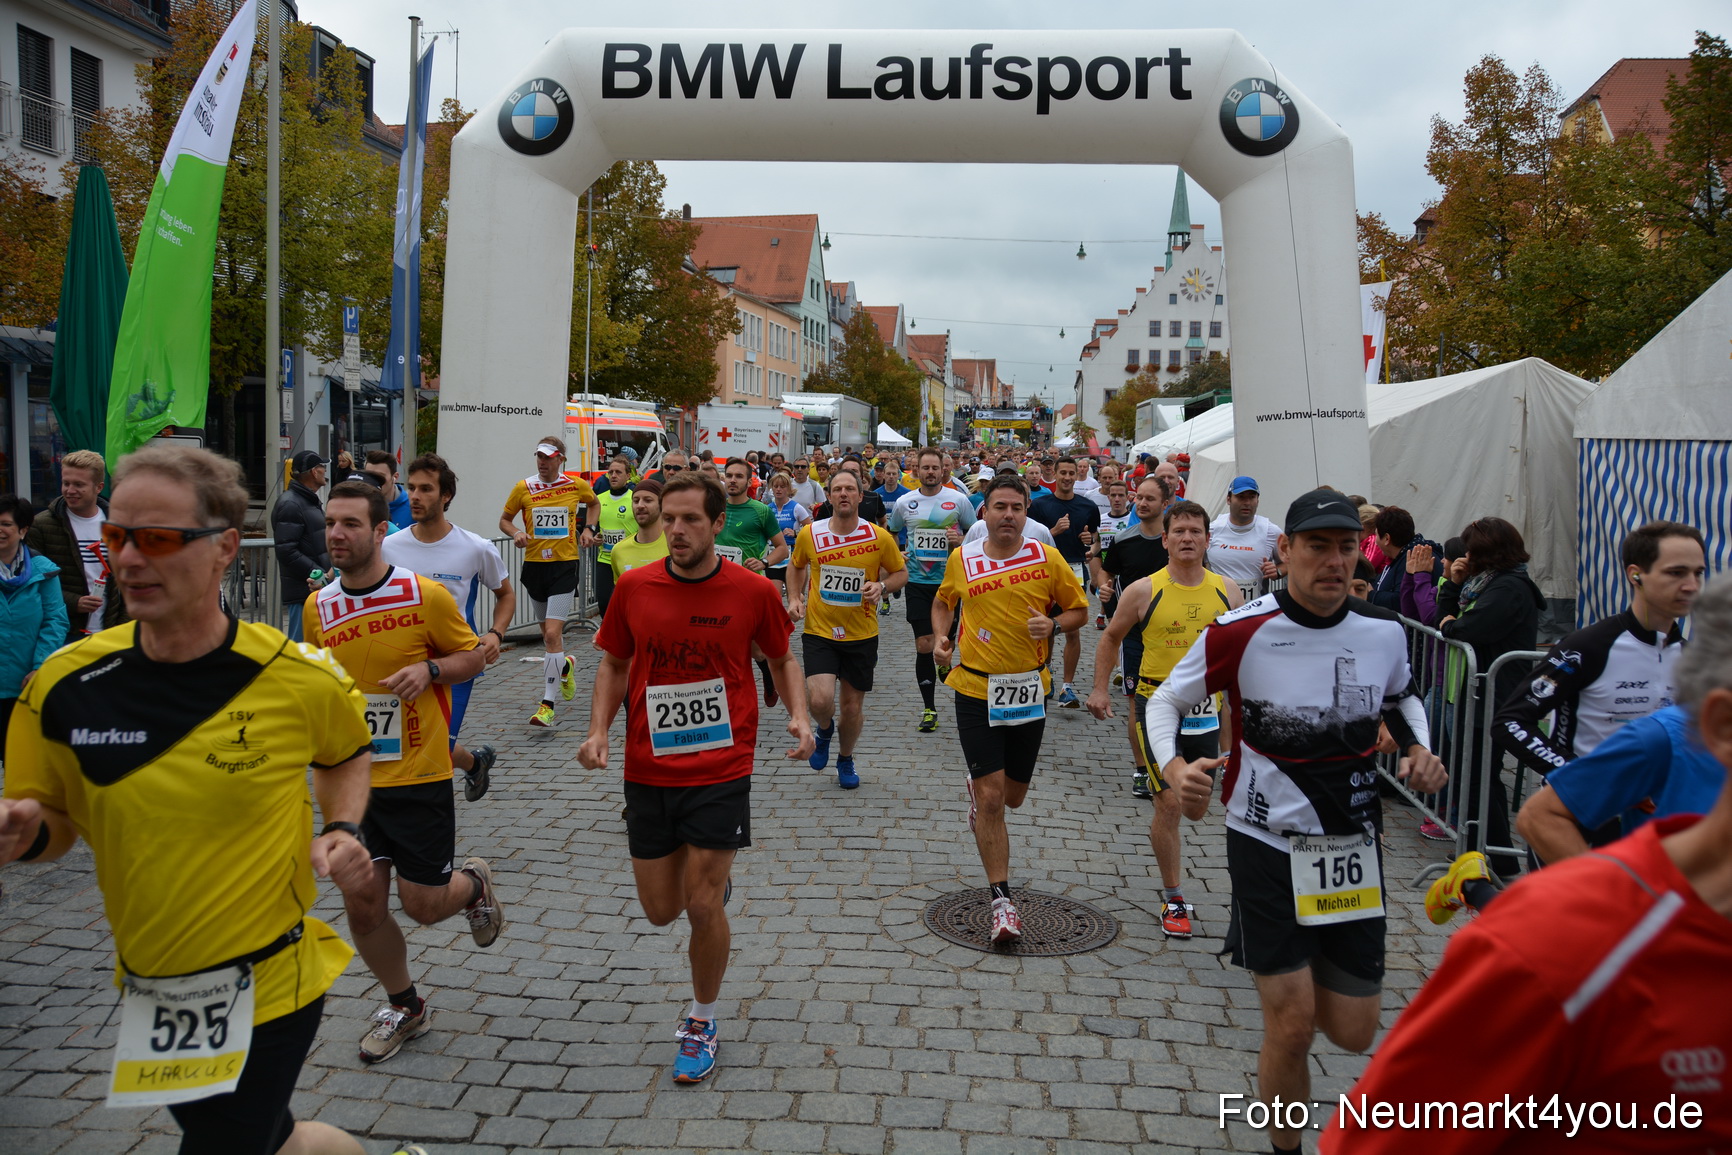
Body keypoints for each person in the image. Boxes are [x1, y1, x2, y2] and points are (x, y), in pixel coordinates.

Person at [2, 444, 373, 1154]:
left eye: (160, 538)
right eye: (118, 537)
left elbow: (347, 749)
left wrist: (344, 826)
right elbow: (52, 823)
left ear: (225, 548)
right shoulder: (63, 685)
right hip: (154, 990)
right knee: (274, 1139)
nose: (130, 559)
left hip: (269, 979)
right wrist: (26, 828)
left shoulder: (294, 676)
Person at [1319, 575, 1732, 1155]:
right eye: (1672, 570)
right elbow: (1538, 807)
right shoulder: (1568, 950)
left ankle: (1476, 882)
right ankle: (1477, 883)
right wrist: (1607, 904)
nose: (1684, 583)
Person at [1152, 488, 1445, 1155]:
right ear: (1285, 552)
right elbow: (1168, 699)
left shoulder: (1383, 630)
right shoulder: (1241, 629)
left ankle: (1313, 966)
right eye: (1318, 545)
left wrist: (1422, 747)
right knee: (1290, 1023)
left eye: (1346, 546)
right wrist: (1173, 767)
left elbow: (1402, 698)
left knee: (1351, 1030)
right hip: (1266, 841)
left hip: (1350, 845)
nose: (1334, 560)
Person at [579, 471, 812, 1085]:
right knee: (662, 910)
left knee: (702, 904)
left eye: (690, 521)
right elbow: (612, 662)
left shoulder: (752, 590)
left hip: (722, 763)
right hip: (648, 767)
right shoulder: (633, 587)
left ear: (716, 524)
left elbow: (782, 658)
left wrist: (799, 714)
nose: (676, 530)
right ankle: (708, 887)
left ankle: (702, 1019)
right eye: (670, 520)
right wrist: (600, 729)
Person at [309, 480, 502, 1065]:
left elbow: (475, 655)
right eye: (330, 524)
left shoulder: (424, 596)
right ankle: (405, 1004)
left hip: (417, 775)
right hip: (352, 783)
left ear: (378, 533)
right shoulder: (319, 607)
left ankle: (473, 884)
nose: (337, 534)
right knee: (363, 904)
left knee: (421, 905)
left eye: (350, 524)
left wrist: (433, 671)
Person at [931, 474, 1087, 943]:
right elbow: (943, 603)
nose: (1008, 515)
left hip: (1027, 691)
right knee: (994, 798)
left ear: (1026, 513)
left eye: (1017, 508)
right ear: (985, 511)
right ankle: (1002, 903)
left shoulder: (1047, 558)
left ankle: (982, 791)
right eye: (999, 506)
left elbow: (1079, 610)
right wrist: (941, 637)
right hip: (975, 689)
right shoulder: (964, 558)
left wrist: (1054, 624)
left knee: (1014, 796)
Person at [1087, 500, 1240, 938]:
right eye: (1180, 532)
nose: (1188, 538)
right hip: (1155, 707)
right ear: (1166, 539)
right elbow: (1111, 637)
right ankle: (1174, 896)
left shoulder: (1227, 590)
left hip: (1205, 712)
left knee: (1196, 808)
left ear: (1208, 539)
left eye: (1196, 531)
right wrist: (1100, 688)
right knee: (1169, 803)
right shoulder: (1142, 590)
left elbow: (1237, 655)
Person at [381, 453, 515, 803]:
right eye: (410, 488)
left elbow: (506, 595)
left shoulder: (476, 548)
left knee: (436, 747)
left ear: (446, 496)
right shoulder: (389, 547)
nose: (415, 496)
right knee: (401, 745)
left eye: (426, 489)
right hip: (402, 661)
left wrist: (495, 634)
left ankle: (431, 840)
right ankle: (474, 763)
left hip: (456, 664)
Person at [1438, 515, 1546, 879]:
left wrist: (1451, 622)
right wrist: (1453, 585)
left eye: (1471, 550)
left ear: (1487, 552)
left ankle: (1497, 859)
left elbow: (1466, 628)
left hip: (1498, 694)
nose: (1465, 556)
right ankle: (1482, 853)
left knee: (1481, 775)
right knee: (1474, 774)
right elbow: (1449, 619)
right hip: (1479, 690)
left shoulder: (1510, 587)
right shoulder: (1484, 584)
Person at [787, 469, 907, 790]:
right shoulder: (810, 534)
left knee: (852, 708)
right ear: (828, 496)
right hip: (820, 630)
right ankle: (824, 729)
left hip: (861, 634)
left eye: (849, 489)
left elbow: (900, 573)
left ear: (860, 495)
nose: (843, 494)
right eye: (837, 489)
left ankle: (845, 757)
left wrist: (881, 585)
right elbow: (796, 565)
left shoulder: (878, 537)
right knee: (820, 700)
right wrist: (796, 596)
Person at [498, 436, 599, 727]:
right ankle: (565, 665)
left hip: (564, 566)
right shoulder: (523, 487)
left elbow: (593, 504)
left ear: (560, 459)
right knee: (548, 638)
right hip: (534, 567)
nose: (542, 462)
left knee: (553, 635)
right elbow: (504, 520)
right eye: (539, 457)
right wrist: (515, 532)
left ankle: (547, 704)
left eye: (548, 457)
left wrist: (589, 528)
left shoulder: (575, 485)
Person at [888, 447, 977, 732]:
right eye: (924, 468)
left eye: (934, 468)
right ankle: (929, 708)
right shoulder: (905, 502)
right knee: (924, 644)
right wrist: (897, 553)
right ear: (916, 471)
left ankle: (944, 655)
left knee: (945, 641)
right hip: (917, 582)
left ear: (943, 471)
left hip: (949, 584)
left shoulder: (959, 500)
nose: (929, 472)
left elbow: (975, 537)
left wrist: (958, 539)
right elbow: (892, 533)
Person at [1097, 475, 1173, 795]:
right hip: (1133, 634)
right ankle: (1142, 769)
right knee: (1136, 704)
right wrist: (1102, 585)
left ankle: (1172, 764)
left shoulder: (1176, 541)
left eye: (1149, 499)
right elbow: (1107, 570)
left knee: (1172, 702)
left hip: (1173, 634)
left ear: (1165, 505)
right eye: (1138, 497)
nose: (1141, 503)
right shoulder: (1124, 539)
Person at [28, 448, 128, 644]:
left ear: (98, 487)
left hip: (112, 633)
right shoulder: (41, 525)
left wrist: (124, 625)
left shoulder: (119, 523)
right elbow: (33, 581)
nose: (70, 490)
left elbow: (133, 578)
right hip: (65, 633)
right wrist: (74, 602)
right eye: (66, 483)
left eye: (79, 485)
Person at [1028, 456, 1102, 710]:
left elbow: (1095, 540)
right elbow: (1032, 542)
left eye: (1072, 473)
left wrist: (1089, 543)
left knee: (1073, 629)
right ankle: (1045, 675)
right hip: (1045, 572)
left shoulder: (1088, 507)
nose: (1068, 477)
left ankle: (1067, 687)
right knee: (1047, 625)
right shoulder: (1040, 506)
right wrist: (1055, 531)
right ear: (1055, 475)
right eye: (1064, 473)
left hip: (1075, 570)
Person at [0, 495, 67, 755]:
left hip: (24, 686)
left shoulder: (44, 571)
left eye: (6, 524)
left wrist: (40, 666)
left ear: (23, 530)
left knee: (20, 760)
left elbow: (55, 620)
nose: (0, 530)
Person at [269, 449, 330, 644]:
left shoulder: (305, 500)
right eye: (322, 467)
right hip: (304, 592)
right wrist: (320, 573)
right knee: (301, 652)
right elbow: (286, 550)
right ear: (314, 472)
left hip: (313, 590)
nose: (325, 471)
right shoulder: (291, 503)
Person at [1206, 475, 1281, 603]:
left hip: (1254, 610)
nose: (1246, 503)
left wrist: (1278, 571)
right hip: (1217, 607)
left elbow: (1293, 562)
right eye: (1241, 497)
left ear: (1257, 500)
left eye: (1252, 497)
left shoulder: (1271, 531)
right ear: (1229, 499)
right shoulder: (1212, 530)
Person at [1366, 506, 1437, 612]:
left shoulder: (1414, 558)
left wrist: (1371, 595)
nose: (1375, 541)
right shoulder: (1399, 557)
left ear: (1386, 538)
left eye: (1376, 535)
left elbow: (1401, 600)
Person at [591, 456, 637, 616]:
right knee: (604, 603)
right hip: (605, 559)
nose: (614, 475)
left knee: (628, 604)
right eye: (610, 472)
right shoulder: (599, 499)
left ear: (628, 475)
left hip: (629, 560)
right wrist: (595, 537)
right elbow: (594, 527)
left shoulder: (634, 499)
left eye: (618, 472)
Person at [1091, 479, 1134, 629]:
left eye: (1121, 495)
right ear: (1108, 497)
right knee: (1113, 625)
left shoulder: (1133, 520)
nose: (1117, 499)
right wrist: (1090, 553)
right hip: (1108, 576)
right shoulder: (1101, 520)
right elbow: (1097, 544)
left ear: (1127, 497)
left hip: (1127, 577)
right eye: (1113, 495)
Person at [763, 472, 812, 601]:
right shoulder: (768, 509)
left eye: (782, 486)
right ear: (771, 488)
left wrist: (795, 533)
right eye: (776, 486)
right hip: (774, 556)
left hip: (792, 557)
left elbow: (810, 529)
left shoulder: (796, 508)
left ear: (789, 489)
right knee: (775, 598)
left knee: (795, 599)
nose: (778, 489)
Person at [608, 479, 670, 580]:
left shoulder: (674, 546)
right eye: (636, 501)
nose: (640, 505)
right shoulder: (618, 550)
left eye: (648, 500)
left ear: (662, 504)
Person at [362, 450, 412, 530]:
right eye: (370, 476)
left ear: (395, 477)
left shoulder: (413, 508)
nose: (374, 481)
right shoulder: (358, 506)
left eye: (380, 476)